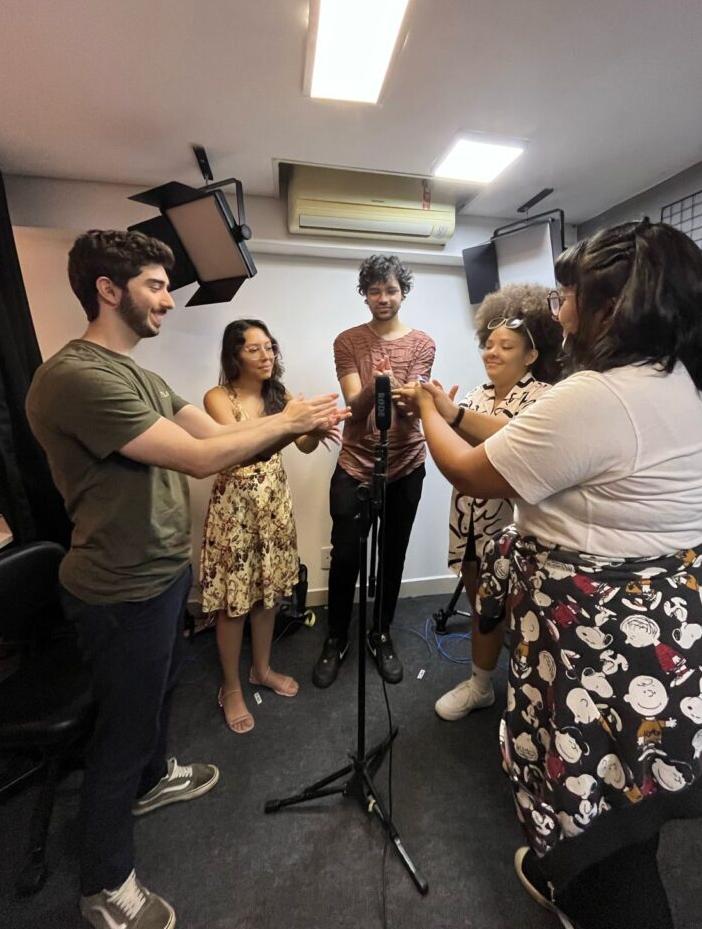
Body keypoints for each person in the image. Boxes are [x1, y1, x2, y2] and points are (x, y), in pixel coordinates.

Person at [402, 220, 702, 929]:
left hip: (605, 647)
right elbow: (535, 449)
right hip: (673, 629)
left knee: (609, 847)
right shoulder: (684, 384)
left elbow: (470, 470)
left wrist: (429, 413)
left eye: (570, 298)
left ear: (614, 307)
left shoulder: (600, 393)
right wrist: (459, 411)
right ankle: (576, 878)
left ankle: (590, 894)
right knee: (627, 806)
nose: (559, 313)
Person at [26, 230, 346, 929]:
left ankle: (152, 779)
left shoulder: (140, 374)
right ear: (108, 290)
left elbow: (213, 438)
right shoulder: (78, 377)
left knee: (160, 695)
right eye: (155, 286)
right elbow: (202, 461)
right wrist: (286, 419)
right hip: (119, 585)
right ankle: (105, 886)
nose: (169, 301)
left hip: (163, 572)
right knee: (122, 728)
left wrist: (295, 422)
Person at [427, 284, 562, 720]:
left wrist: (449, 415)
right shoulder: (474, 396)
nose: (492, 352)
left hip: (515, 529)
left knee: (521, 616)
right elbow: (460, 449)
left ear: (531, 355)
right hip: (467, 522)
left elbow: (509, 440)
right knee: (482, 607)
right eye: (488, 343)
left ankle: (530, 693)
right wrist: (432, 413)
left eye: (506, 346)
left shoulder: (542, 398)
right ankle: (482, 685)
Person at [201, 319, 340, 733]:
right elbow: (239, 448)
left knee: (267, 595)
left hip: (273, 504)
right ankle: (231, 687)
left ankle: (260, 669)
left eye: (270, 347)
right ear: (234, 355)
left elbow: (303, 445)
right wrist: (291, 423)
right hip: (235, 510)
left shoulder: (278, 396)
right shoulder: (217, 398)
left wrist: (314, 429)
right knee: (233, 603)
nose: (266, 356)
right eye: (254, 349)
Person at [312, 254, 435, 688]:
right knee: (346, 555)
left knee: (392, 553)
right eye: (375, 290)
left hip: (406, 463)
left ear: (403, 292)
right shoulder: (347, 341)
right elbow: (353, 409)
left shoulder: (423, 343)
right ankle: (335, 637)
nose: (383, 298)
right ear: (364, 294)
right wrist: (374, 387)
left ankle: (380, 633)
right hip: (356, 464)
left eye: (391, 290)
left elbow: (416, 408)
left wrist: (408, 398)